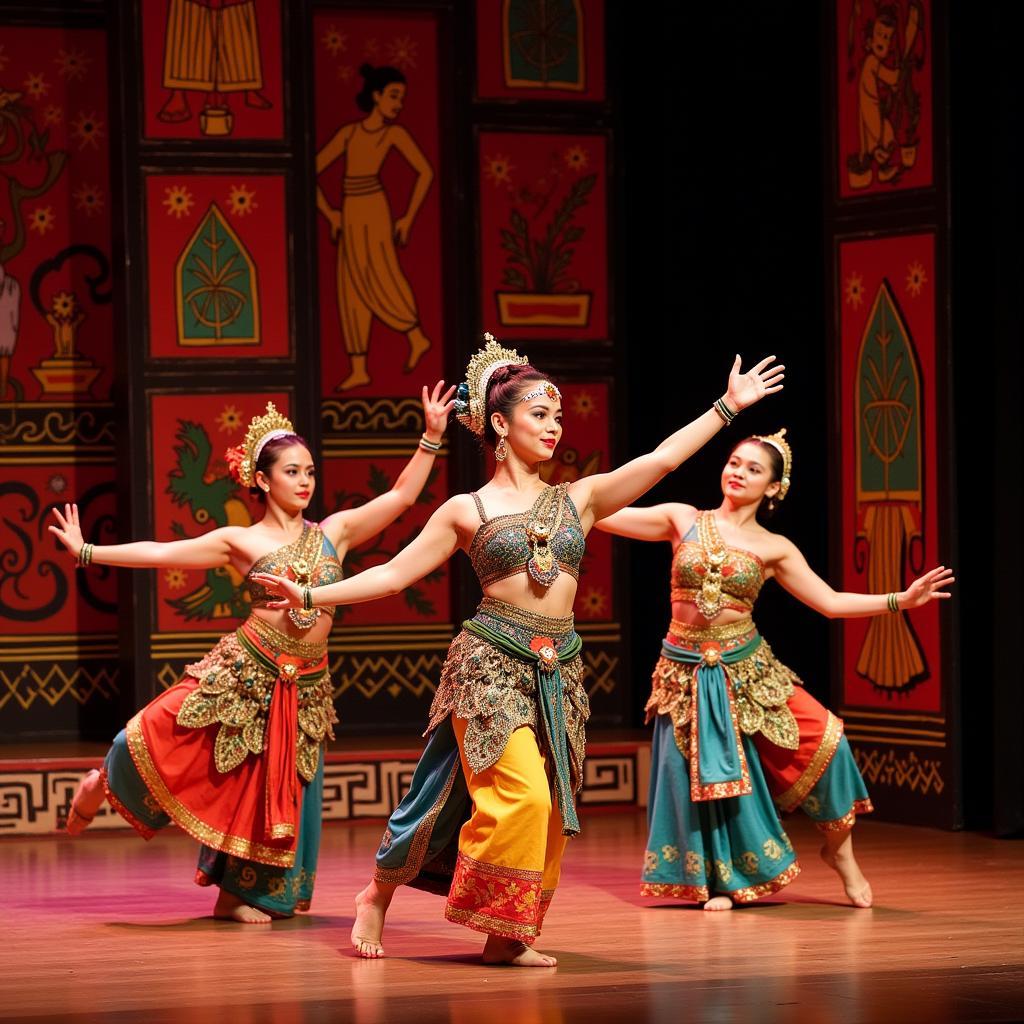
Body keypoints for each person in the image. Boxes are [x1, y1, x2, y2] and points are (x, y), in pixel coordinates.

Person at [252, 333, 785, 964]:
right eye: (540, 414)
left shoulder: (580, 498)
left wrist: (725, 408)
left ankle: (507, 933)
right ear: (500, 425)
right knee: (522, 796)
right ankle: (380, 893)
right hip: (489, 663)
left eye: (558, 416)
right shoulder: (465, 509)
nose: (555, 427)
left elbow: (662, 460)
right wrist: (312, 597)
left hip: (557, 668)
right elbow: (393, 575)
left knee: (534, 804)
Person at [50, 382, 455, 924]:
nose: (305, 481)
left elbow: (401, 497)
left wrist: (430, 436)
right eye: (292, 471)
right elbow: (163, 552)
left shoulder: (336, 531)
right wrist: (88, 551)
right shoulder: (241, 541)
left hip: (306, 682)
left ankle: (239, 896)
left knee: (273, 787)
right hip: (246, 667)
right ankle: (101, 782)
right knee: (152, 735)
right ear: (262, 480)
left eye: (309, 471)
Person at [594, 429, 954, 910]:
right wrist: (566, 492)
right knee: (700, 777)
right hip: (683, 669)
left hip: (748, 666)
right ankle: (720, 883)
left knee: (829, 741)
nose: (738, 473)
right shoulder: (682, 519)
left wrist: (899, 600)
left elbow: (828, 602)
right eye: (735, 462)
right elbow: (600, 512)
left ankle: (840, 850)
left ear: (773, 488)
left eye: (753, 469)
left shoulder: (775, 547)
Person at [316, 64, 434, 391]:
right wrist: (330, 214)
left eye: (402, 98)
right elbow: (310, 171)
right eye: (393, 96)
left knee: (380, 273)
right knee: (350, 285)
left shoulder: (393, 134)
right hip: (350, 207)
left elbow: (425, 172)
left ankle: (415, 335)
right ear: (377, 96)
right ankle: (359, 367)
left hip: (373, 207)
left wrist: (408, 216)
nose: (398, 103)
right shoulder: (349, 134)